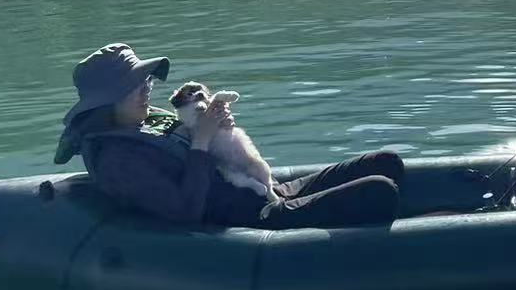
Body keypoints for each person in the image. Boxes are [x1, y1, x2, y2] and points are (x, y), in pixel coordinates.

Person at [53, 43, 403, 229]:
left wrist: (219, 127)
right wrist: (203, 141)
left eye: (144, 81)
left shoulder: (146, 121)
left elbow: (211, 152)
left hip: (260, 190)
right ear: (107, 100)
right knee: (378, 189)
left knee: (386, 162)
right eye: (133, 86)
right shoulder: (117, 160)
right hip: (248, 215)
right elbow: (186, 209)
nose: (146, 89)